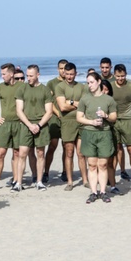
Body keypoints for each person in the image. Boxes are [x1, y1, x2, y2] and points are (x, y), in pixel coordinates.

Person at [75, 73, 117, 202]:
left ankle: (103, 191)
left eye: (92, 82)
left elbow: (114, 118)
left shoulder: (108, 100)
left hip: (104, 133)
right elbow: (79, 117)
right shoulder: (84, 99)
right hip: (89, 133)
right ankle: (93, 192)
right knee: (92, 164)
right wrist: (92, 122)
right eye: (88, 83)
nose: (90, 85)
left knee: (103, 164)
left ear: (99, 82)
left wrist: (105, 115)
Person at [15, 64, 54, 191]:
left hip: (41, 125)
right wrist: (29, 125)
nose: (28, 78)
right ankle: (18, 183)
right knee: (22, 154)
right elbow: (19, 110)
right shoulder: (22, 89)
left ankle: (39, 181)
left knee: (40, 153)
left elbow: (49, 112)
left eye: (31, 76)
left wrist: (38, 125)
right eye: (27, 75)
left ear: (38, 75)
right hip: (26, 124)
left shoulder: (45, 90)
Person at [0, 63, 26, 191]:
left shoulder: (22, 86)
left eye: (4, 74)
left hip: (19, 124)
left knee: (17, 153)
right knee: (1, 153)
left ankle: (16, 180)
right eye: (1, 74)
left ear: (11, 74)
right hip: (5, 124)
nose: (2, 76)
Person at [54, 62, 89, 191]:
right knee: (69, 152)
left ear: (76, 73)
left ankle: (85, 180)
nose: (69, 76)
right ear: (64, 73)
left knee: (81, 153)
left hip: (80, 121)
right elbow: (62, 107)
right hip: (67, 122)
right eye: (67, 74)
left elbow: (85, 105)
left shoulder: (82, 87)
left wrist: (72, 102)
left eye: (71, 74)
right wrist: (76, 104)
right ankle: (70, 181)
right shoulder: (60, 87)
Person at [111, 64, 131, 185]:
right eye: (118, 76)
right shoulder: (110, 86)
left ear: (126, 74)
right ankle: (119, 172)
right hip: (115, 121)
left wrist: (129, 113)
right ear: (114, 75)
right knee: (117, 149)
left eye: (122, 76)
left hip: (128, 120)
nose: (120, 78)